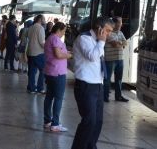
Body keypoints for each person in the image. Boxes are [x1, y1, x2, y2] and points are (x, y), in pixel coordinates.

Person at [71, 17, 114, 149]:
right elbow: (92, 57)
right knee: (89, 121)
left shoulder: (98, 41)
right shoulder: (84, 38)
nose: (109, 34)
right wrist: (101, 42)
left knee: (98, 121)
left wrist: (101, 42)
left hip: (97, 85)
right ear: (99, 28)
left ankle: (90, 146)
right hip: (85, 85)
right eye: (107, 30)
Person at [43, 22, 72, 132]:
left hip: (50, 71)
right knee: (58, 98)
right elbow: (58, 55)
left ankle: (47, 121)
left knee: (49, 96)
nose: (64, 33)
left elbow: (59, 52)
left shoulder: (50, 38)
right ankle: (55, 123)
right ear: (59, 30)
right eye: (64, 31)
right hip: (57, 73)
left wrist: (67, 52)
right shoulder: (55, 39)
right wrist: (70, 55)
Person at [104, 16, 128, 102]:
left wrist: (120, 43)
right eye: (120, 22)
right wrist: (121, 44)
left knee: (119, 79)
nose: (121, 24)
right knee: (107, 79)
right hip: (110, 59)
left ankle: (118, 96)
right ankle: (105, 97)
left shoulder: (120, 33)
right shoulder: (109, 33)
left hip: (120, 59)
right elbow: (115, 44)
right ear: (115, 23)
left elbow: (126, 43)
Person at [26, 14, 46, 94]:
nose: (45, 20)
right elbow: (42, 42)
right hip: (38, 53)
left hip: (30, 52)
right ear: (40, 19)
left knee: (31, 71)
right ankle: (40, 88)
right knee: (43, 69)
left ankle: (31, 88)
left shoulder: (30, 27)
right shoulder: (40, 28)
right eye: (44, 18)